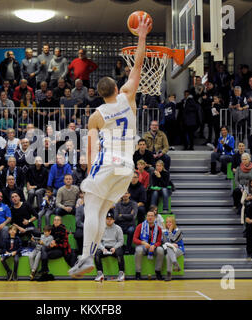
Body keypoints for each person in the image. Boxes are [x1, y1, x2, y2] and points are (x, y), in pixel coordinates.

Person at [68, 15, 152, 278]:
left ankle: (84, 258)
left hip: (106, 164)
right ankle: (87, 258)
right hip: (126, 170)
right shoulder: (128, 98)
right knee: (102, 210)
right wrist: (141, 36)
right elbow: (138, 65)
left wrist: (90, 172)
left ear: (99, 93)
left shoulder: (96, 116)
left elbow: (91, 150)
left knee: (91, 208)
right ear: (117, 87)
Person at [38, 216, 76, 280]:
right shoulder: (51, 228)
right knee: (43, 249)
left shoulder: (63, 230)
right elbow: (45, 236)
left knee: (44, 253)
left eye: (58, 220)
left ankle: (44, 271)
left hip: (61, 250)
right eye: (55, 220)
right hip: (51, 247)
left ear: (60, 222)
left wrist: (55, 245)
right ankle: (45, 269)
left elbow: (65, 244)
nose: (56, 221)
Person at [94, 212, 125, 282]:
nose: (109, 220)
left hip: (114, 247)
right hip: (104, 248)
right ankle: (100, 274)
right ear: (105, 219)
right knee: (97, 254)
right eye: (107, 219)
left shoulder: (118, 228)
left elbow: (121, 241)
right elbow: (97, 241)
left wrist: (115, 247)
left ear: (114, 220)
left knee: (120, 253)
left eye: (111, 219)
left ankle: (121, 273)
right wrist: (102, 248)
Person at [133, 210, 164, 280]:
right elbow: (134, 239)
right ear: (146, 217)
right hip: (143, 246)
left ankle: (158, 271)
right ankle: (138, 272)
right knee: (138, 250)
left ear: (155, 218)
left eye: (152, 216)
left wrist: (154, 245)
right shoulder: (140, 226)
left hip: (153, 247)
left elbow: (159, 241)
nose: (150, 217)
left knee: (161, 250)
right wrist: (143, 243)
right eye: (148, 216)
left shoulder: (158, 228)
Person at [162, 216, 184, 281]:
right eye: (167, 222)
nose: (168, 224)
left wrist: (169, 232)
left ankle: (169, 274)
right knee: (168, 251)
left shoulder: (178, 231)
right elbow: (164, 243)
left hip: (179, 249)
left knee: (168, 252)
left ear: (173, 223)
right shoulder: (164, 232)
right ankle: (175, 264)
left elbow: (173, 240)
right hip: (170, 249)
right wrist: (171, 245)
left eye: (170, 222)